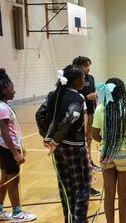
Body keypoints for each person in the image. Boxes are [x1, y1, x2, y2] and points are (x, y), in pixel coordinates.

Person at [36, 65, 91, 223]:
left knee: (65, 184)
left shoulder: (53, 95)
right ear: (74, 80)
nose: (84, 80)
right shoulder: (78, 98)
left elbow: (39, 114)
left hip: (58, 148)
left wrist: (48, 136)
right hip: (73, 146)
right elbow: (69, 119)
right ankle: (79, 220)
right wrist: (55, 139)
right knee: (82, 186)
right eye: (82, 78)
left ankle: (70, 218)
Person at [0, 68, 36, 222]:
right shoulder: (3, 108)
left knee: (5, 178)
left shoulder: (1, 106)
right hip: (6, 148)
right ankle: (17, 213)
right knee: (13, 180)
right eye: (12, 88)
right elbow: (5, 133)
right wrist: (15, 153)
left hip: (3, 146)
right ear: (4, 90)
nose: (15, 91)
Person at [92, 78, 126, 223]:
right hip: (124, 154)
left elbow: (94, 135)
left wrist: (107, 143)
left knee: (109, 194)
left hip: (106, 154)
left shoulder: (100, 108)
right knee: (123, 194)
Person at [73, 56, 101, 197]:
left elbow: (92, 93)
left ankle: (89, 160)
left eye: (88, 65)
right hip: (80, 114)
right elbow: (74, 96)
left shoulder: (90, 78)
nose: (88, 68)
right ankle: (85, 164)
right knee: (82, 141)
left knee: (88, 140)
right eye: (85, 65)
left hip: (90, 112)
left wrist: (95, 97)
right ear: (78, 66)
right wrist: (86, 97)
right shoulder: (74, 80)